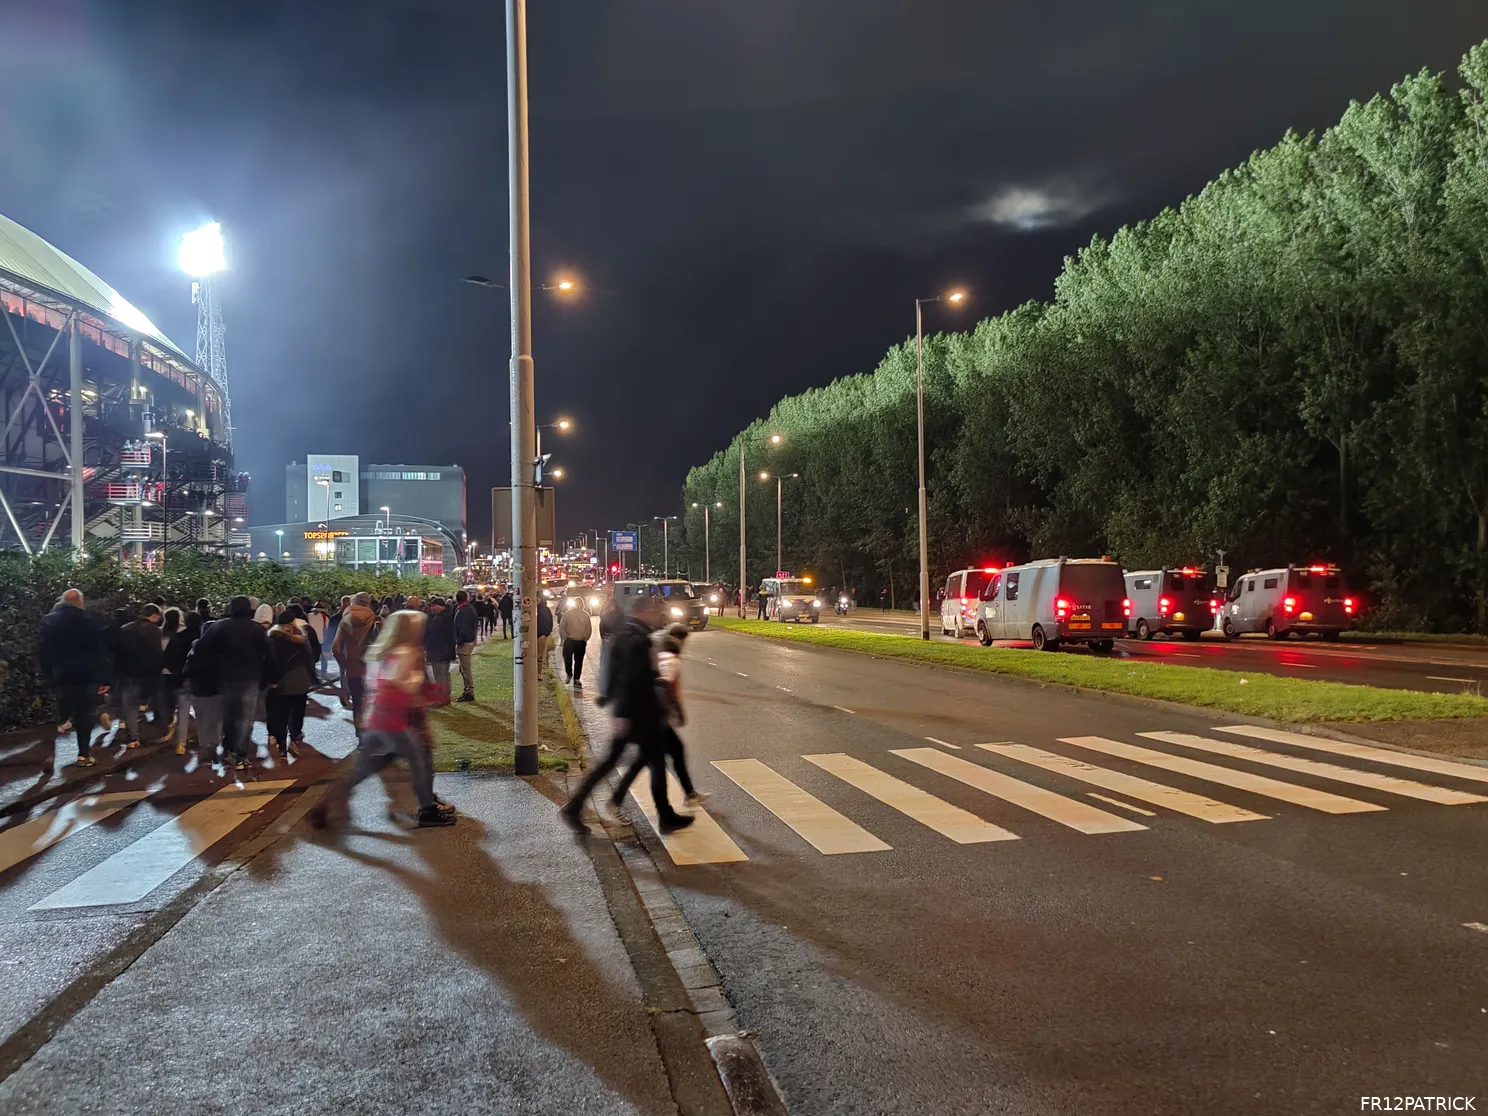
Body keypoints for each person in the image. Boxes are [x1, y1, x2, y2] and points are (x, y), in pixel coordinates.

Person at [561, 592, 692, 834]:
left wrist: (611, 700)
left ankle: (576, 807)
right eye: (654, 611)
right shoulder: (637, 639)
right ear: (644, 611)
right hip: (638, 714)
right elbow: (631, 678)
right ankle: (664, 816)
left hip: (632, 711)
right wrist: (624, 713)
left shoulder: (627, 633)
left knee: (625, 762)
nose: (657, 616)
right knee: (643, 762)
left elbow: (612, 669)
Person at [311, 610, 455, 829]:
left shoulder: (382, 652)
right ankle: (427, 810)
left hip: (377, 721)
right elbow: (396, 687)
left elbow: (380, 685)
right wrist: (430, 693)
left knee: (365, 769)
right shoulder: (405, 653)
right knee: (420, 761)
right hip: (395, 722)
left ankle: (325, 805)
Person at [609, 624, 704, 809]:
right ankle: (618, 801)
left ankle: (688, 794)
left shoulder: (660, 653)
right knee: (660, 755)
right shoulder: (671, 659)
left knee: (649, 758)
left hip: (652, 715)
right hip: (655, 717)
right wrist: (676, 710)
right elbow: (664, 684)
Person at [190, 595, 270, 770]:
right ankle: (241, 755)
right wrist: (271, 678)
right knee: (246, 718)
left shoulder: (219, 627)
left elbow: (201, 650)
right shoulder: (257, 629)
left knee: (230, 715)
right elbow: (269, 655)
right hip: (251, 678)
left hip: (226, 679)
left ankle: (228, 750)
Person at [37, 589, 110, 767]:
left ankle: (49, 754)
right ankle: (83, 755)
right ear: (79, 602)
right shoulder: (88, 622)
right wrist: (105, 678)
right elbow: (99, 652)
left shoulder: (49, 621)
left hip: (61, 675)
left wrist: (49, 675)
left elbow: (43, 652)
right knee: (84, 714)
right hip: (86, 676)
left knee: (59, 713)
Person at [266, 611, 316, 758]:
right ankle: (294, 739)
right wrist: (312, 677)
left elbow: (270, 662)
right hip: (300, 682)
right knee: (297, 713)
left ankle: (281, 745)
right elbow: (309, 659)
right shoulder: (302, 639)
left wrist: (271, 680)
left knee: (281, 713)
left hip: (281, 682)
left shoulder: (272, 638)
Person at [115, 604, 165, 747]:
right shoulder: (154, 630)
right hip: (148, 673)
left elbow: (117, 653)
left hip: (128, 672)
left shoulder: (125, 629)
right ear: (154, 616)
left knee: (130, 705)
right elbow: (157, 653)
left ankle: (132, 737)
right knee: (156, 699)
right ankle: (163, 726)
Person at [333, 592, 380, 731]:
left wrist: (346, 664)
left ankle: (361, 735)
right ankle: (375, 734)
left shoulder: (346, 619)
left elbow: (336, 648)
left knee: (358, 702)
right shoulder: (376, 619)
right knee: (374, 702)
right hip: (373, 667)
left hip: (354, 667)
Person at [163, 610, 199, 755]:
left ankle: (181, 744)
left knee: (182, 712)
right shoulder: (203, 637)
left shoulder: (177, 638)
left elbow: (167, 658)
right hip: (199, 680)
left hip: (181, 677)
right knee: (204, 711)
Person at [423, 597, 456, 705]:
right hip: (444, 651)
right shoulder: (446, 617)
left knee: (440, 675)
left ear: (440, 606)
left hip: (439, 651)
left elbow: (432, 634)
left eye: (433, 606)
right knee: (445, 674)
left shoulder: (440, 619)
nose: (432, 608)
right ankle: (446, 696)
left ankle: (442, 698)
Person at [559, 596, 593, 686]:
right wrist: (565, 637)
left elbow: (589, 627)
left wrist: (586, 638)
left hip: (580, 641)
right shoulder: (568, 614)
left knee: (579, 660)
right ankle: (569, 674)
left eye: (581, 604)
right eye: (577, 604)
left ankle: (577, 678)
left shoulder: (585, 615)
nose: (579, 606)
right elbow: (562, 626)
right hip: (569, 640)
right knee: (567, 659)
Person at [453, 589, 478, 701]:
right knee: (463, 669)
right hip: (468, 641)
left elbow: (463, 628)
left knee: (465, 668)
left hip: (465, 642)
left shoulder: (463, 611)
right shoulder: (468, 609)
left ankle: (469, 692)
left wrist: (459, 641)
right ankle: (467, 690)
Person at [535, 596, 554, 673]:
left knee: (539, 655)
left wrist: (546, 633)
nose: (537, 600)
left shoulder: (545, 610)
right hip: (530, 636)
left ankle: (538, 673)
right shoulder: (530, 609)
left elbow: (550, 622)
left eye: (538, 598)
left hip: (541, 635)